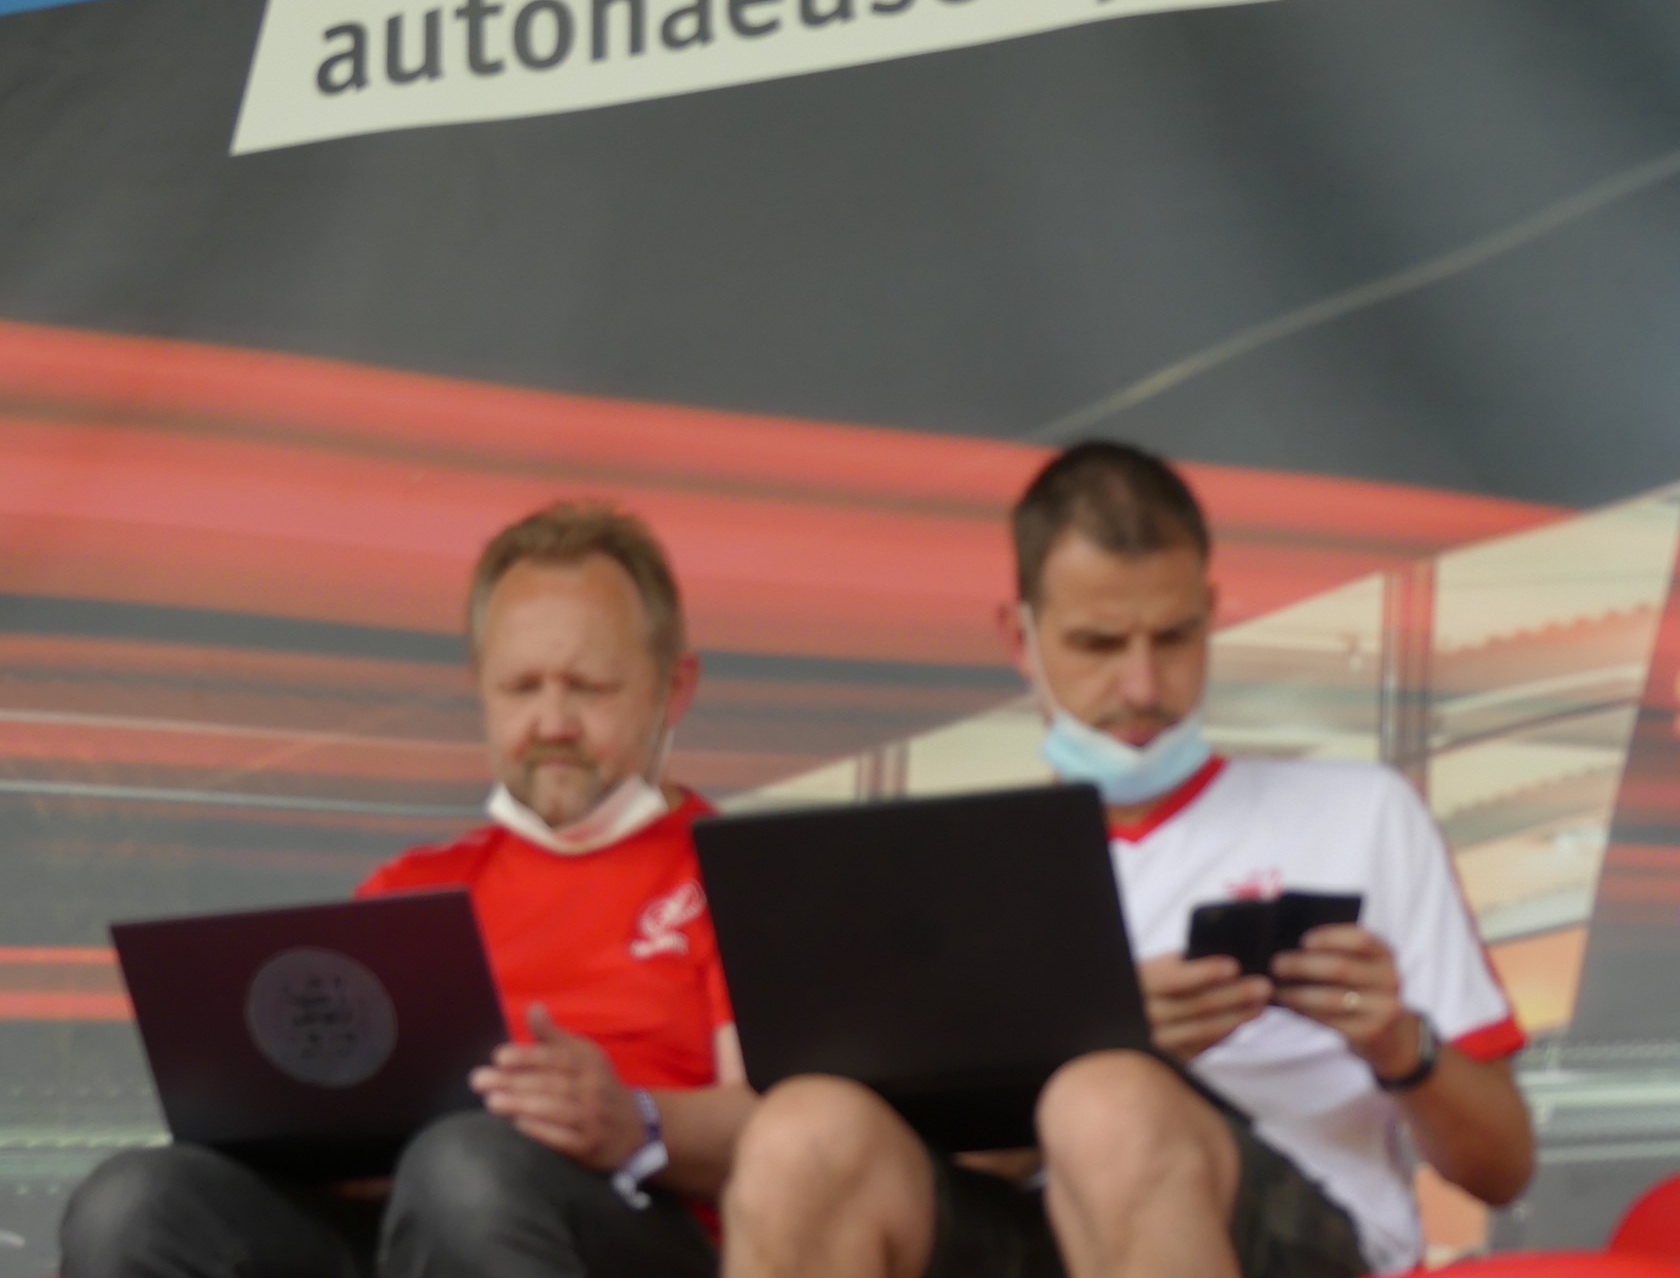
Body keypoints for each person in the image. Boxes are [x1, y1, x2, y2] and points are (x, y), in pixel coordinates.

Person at [721, 441, 1534, 1278]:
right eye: (1099, 644)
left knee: (1106, 1103)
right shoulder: (958, 866)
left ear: (1210, 613)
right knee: (799, 1134)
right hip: (1038, 1226)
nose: (1143, 686)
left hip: (1306, 1233)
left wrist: (1402, 1048)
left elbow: (1503, 1170)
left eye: (1174, 637)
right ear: (1020, 637)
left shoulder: (1363, 812)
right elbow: (960, 1164)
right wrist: (1102, 1041)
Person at [62, 501, 754, 1278]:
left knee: (460, 1168)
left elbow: (785, 1132)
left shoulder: (737, 874)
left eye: (589, 687)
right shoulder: (412, 888)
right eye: (521, 687)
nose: (553, 722)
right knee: (132, 1205)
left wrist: (638, 1122)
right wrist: (317, 1139)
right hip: (403, 1217)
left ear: (675, 687)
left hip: (628, 1221)